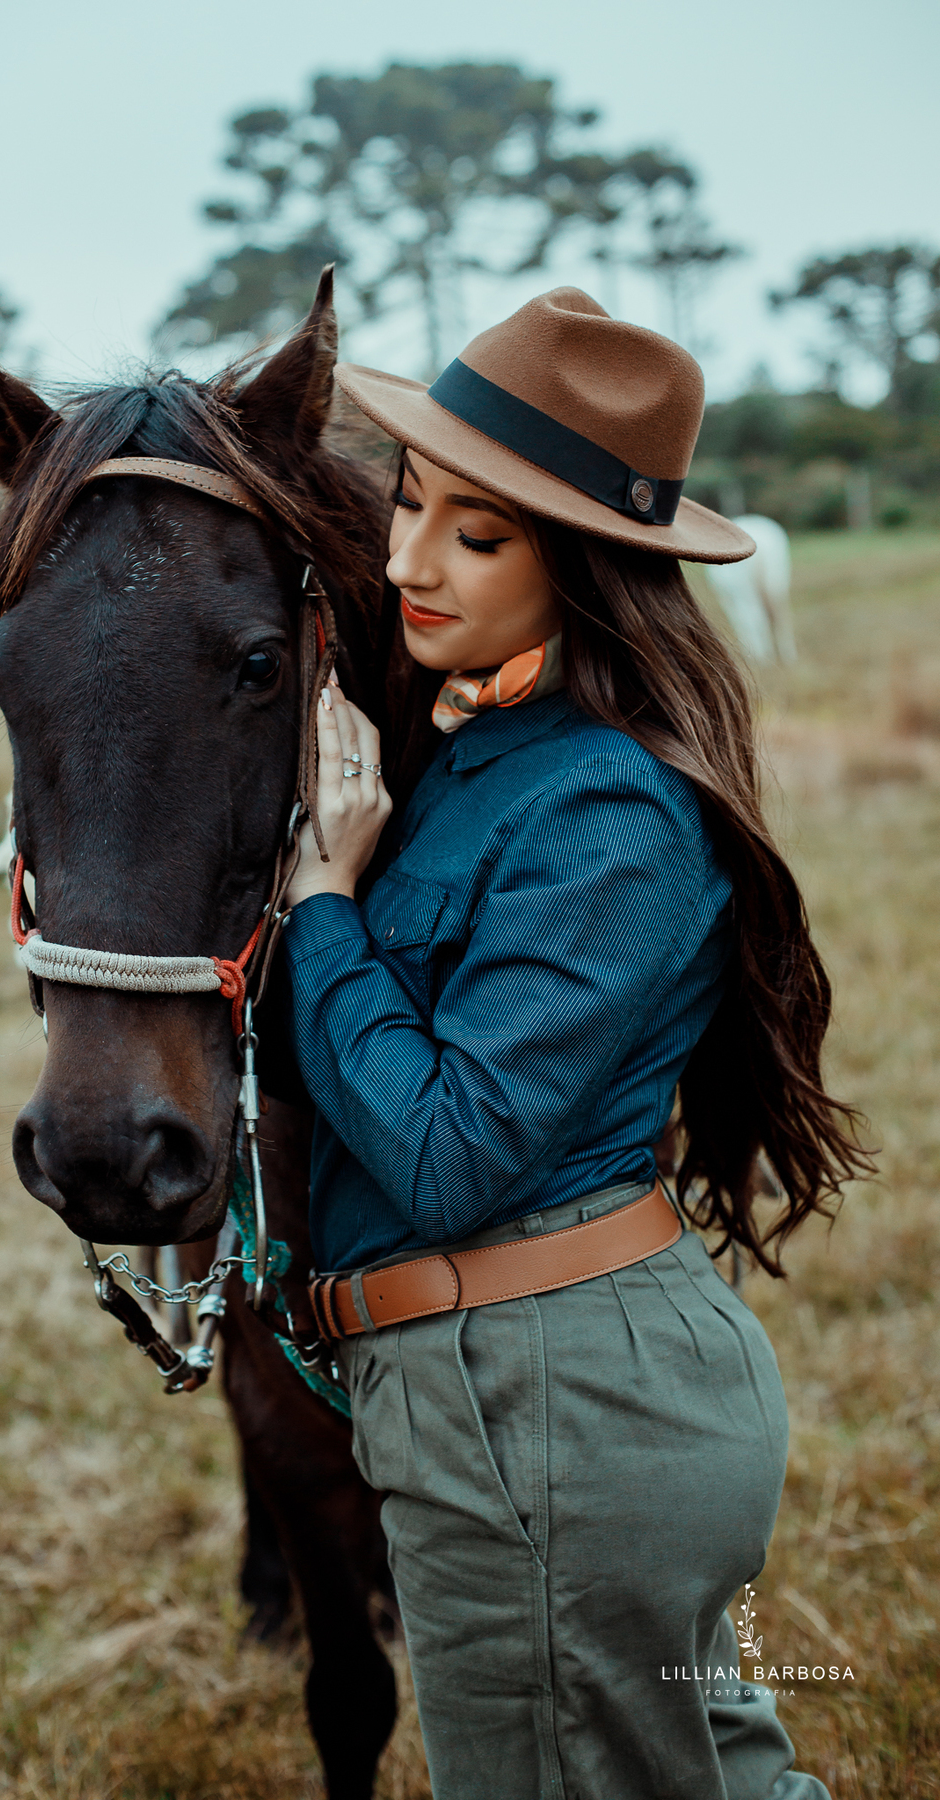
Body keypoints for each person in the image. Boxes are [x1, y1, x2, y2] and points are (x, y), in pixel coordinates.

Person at [277, 288, 868, 1799]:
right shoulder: (474, 754)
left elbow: (451, 1146)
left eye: (477, 537)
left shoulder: (608, 811)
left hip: (548, 1417)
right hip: (528, 1401)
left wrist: (331, 908)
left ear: (587, 569)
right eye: (410, 503)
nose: (408, 558)